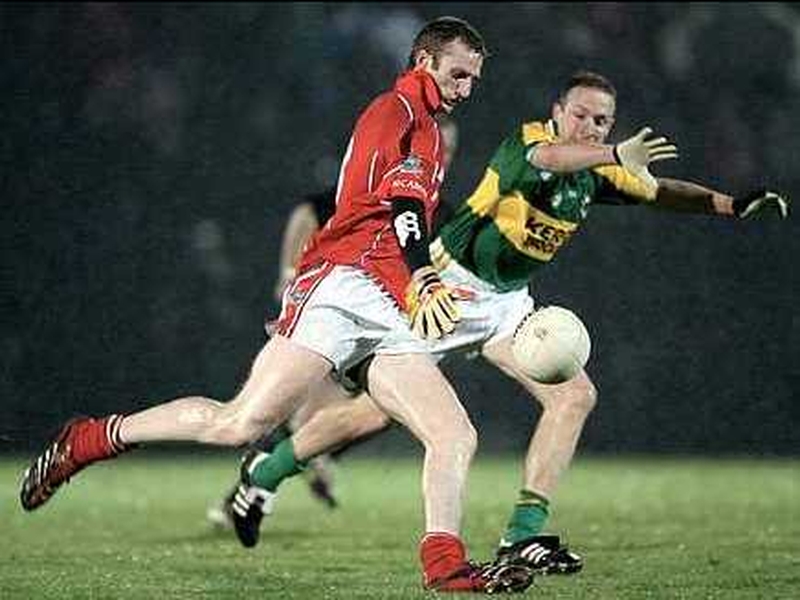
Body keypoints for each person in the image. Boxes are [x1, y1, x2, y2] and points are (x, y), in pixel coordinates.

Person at [19, 17, 540, 594]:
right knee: (239, 423)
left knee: (454, 434)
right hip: (342, 288)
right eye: (458, 74)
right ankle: (92, 437)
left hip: (387, 299)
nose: (467, 88)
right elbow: (400, 211)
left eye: (474, 79)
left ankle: (444, 567)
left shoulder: (427, 125)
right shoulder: (399, 114)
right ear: (423, 62)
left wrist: (420, 280)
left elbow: (401, 216)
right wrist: (422, 275)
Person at [211, 70, 790, 575]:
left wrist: (729, 204)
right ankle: (266, 470)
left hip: (507, 307)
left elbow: (661, 192)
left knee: (574, 397)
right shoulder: (530, 144)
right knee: (373, 415)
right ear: (557, 113)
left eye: (603, 120)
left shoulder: (598, 169)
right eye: (581, 115)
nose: (591, 126)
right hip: (444, 292)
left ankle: (524, 534)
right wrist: (611, 153)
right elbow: (549, 159)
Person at [207, 114, 462, 526]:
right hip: (334, 315)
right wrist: (289, 274)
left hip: (382, 328)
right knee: (311, 413)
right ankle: (277, 470)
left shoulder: (444, 214)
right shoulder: (371, 191)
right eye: (437, 146)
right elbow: (306, 215)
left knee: (375, 413)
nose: (441, 156)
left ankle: (275, 471)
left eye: (448, 150)